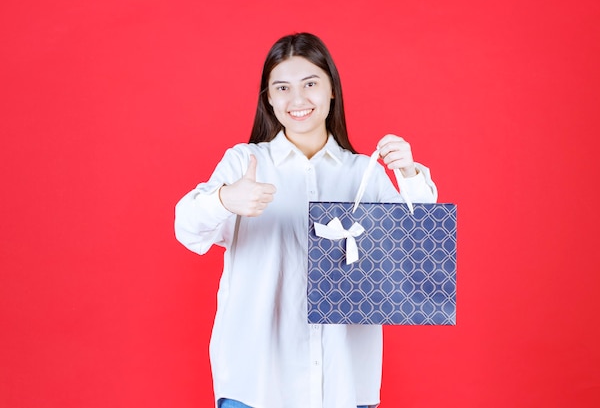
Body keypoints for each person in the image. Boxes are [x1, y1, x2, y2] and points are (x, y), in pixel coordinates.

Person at [174, 32, 437, 408]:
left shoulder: (363, 174)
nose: (297, 100)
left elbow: (419, 258)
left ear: (332, 90)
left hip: (344, 381)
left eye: (310, 84)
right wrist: (224, 198)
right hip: (256, 382)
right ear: (268, 98)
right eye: (282, 87)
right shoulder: (244, 163)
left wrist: (409, 176)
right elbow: (186, 228)